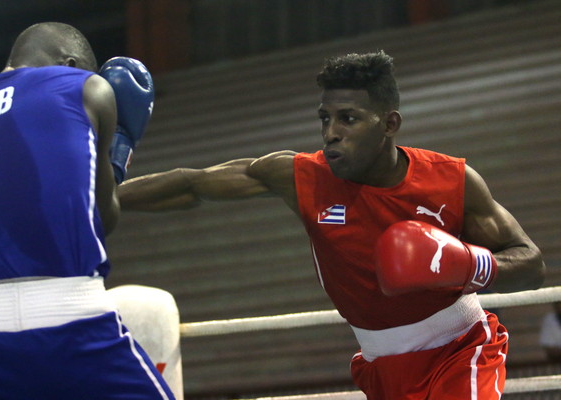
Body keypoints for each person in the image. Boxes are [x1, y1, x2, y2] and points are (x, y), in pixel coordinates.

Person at [118, 51, 546, 399]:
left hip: (460, 350)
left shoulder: (450, 180)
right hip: (381, 366)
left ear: (389, 124)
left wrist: (470, 265)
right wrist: (95, 199)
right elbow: (193, 185)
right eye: (325, 118)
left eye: (349, 118)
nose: (331, 133)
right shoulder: (301, 176)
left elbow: (530, 263)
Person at [0, 22, 173, 400]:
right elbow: (102, 218)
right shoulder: (86, 88)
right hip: (72, 316)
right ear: (71, 63)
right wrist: (119, 149)